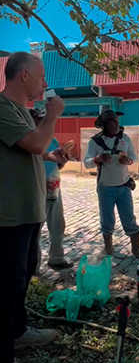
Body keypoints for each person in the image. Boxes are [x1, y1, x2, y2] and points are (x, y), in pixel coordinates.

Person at [0, 51, 68, 363]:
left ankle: (17, 332)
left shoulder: (19, 112)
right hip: (7, 217)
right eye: (42, 77)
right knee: (5, 285)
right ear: (24, 74)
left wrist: (51, 154)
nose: (45, 84)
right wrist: (53, 115)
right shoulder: (1, 107)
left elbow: (31, 151)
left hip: (27, 213)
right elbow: (37, 143)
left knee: (23, 275)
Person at [83, 109, 139, 257]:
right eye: (112, 121)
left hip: (124, 186)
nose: (116, 124)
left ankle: (136, 248)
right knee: (107, 219)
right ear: (104, 124)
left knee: (129, 218)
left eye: (117, 120)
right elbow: (86, 163)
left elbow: (133, 156)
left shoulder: (125, 138)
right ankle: (108, 247)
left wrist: (128, 160)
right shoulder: (94, 142)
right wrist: (97, 159)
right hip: (105, 188)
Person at [38, 113, 72, 271]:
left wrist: (62, 162)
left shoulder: (53, 141)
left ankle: (57, 258)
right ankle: (33, 266)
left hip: (54, 188)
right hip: (36, 190)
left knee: (58, 225)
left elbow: (57, 166)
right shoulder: (28, 142)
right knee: (35, 230)